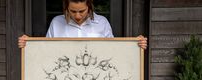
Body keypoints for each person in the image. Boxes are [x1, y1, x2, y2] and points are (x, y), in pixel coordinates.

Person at [18, 0, 147, 49]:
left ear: (89, 7)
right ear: (66, 8)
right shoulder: (56, 22)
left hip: (96, 79)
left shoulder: (102, 22)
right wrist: (28, 44)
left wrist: (136, 45)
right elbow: (45, 50)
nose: (78, 16)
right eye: (73, 11)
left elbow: (113, 50)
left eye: (82, 11)